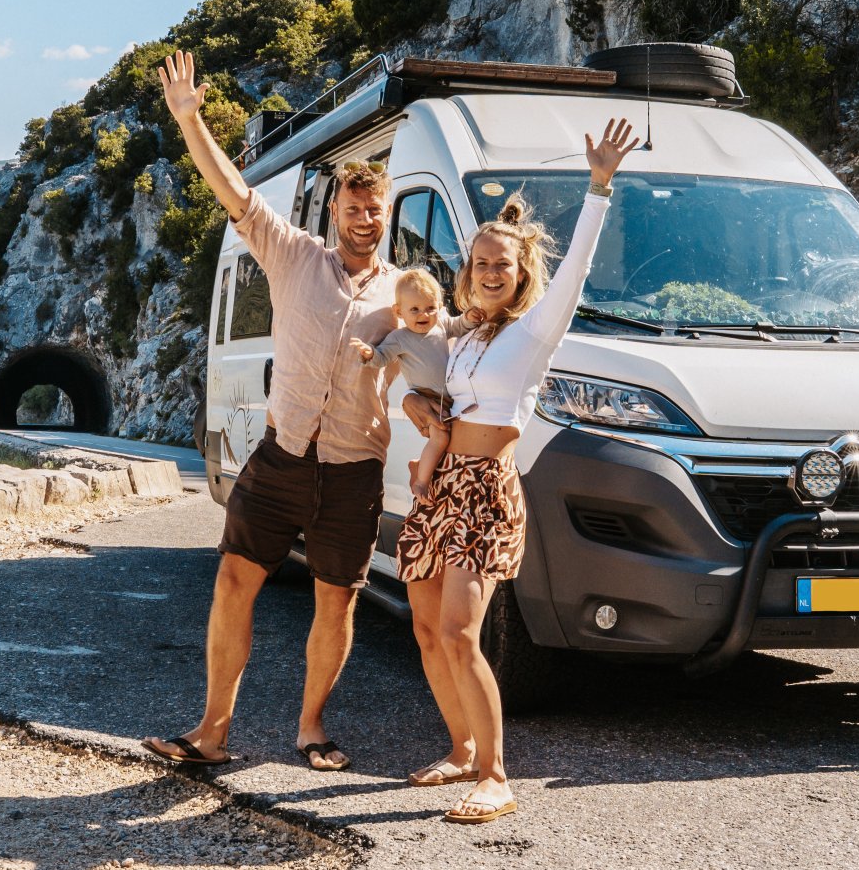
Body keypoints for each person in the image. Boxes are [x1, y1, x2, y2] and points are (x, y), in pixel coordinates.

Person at [142, 50, 399, 774]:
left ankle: (311, 728)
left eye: (374, 209)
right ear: (335, 211)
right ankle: (212, 731)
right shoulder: (293, 256)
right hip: (282, 457)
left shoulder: (404, 291)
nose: (364, 218)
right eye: (353, 208)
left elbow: (458, 337)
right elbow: (233, 189)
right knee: (233, 581)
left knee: (336, 603)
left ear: (385, 215)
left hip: (353, 470)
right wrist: (189, 120)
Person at [396, 115, 638, 823]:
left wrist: (599, 187)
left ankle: (496, 775)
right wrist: (413, 402)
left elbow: (577, 269)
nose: (490, 272)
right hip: (442, 485)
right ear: (467, 270)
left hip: (485, 491)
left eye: (502, 264)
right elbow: (422, 374)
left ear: (521, 271)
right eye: (480, 263)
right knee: (425, 627)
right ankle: (462, 748)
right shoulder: (466, 334)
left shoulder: (534, 331)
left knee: (461, 631)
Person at [350, 269, 452, 499]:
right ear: (399, 312)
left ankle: (421, 465)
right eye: (414, 309)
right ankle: (421, 482)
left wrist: (471, 318)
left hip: (450, 398)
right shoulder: (400, 337)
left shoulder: (441, 326)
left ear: (439, 307)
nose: (423, 314)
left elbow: (460, 325)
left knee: (452, 442)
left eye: (430, 308)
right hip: (428, 397)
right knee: (441, 438)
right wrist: (370, 353)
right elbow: (382, 357)